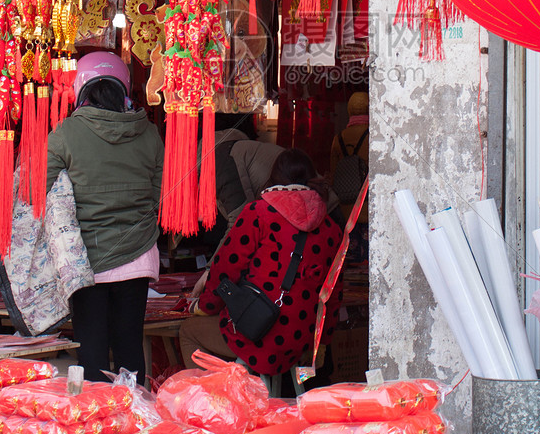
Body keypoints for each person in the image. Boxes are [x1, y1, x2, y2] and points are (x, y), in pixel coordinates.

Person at [47, 51, 163, 384]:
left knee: (92, 350)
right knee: (129, 348)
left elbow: (42, 190)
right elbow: (158, 195)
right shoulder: (149, 133)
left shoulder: (65, 134)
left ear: (81, 88)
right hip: (137, 256)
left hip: (86, 261)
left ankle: (98, 427)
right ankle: (135, 419)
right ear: (123, 86)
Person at [180, 148, 343, 376]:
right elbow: (333, 294)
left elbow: (226, 269)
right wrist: (322, 342)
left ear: (274, 178)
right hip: (302, 343)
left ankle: (213, 405)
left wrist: (204, 306)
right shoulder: (332, 230)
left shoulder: (258, 213)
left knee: (189, 331)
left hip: (257, 336)